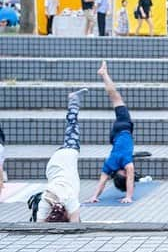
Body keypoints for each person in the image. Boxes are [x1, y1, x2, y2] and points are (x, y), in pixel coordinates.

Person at [33, 89, 88, 222]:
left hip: (67, 154)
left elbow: (76, 223)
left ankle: (73, 99)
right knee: (71, 126)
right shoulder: (45, 201)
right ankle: (73, 101)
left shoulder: (69, 198)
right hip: (53, 167)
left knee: (72, 125)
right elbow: (39, 223)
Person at [87, 61, 136, 204]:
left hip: (123, 127)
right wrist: (94, 196)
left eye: (126, 175)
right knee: (115, 99)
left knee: (115, 97)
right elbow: (101, 182)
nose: (129, 174)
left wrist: (129, 196)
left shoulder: (128, 164)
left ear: (123, 175)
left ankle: (104, 74)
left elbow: (131, 179)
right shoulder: (109, 165)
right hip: (114, 135)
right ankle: (104, 74)